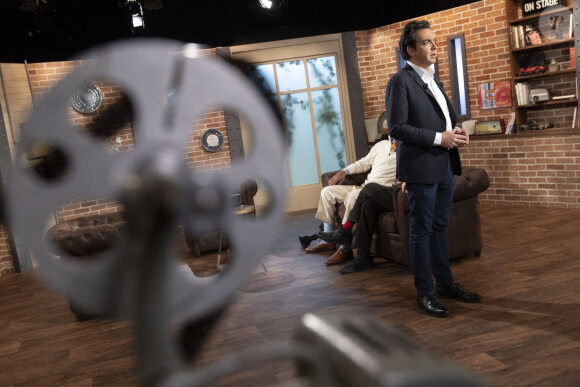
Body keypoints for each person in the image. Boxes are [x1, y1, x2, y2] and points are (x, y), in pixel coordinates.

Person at [385, 20, 481, 317]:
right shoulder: (401, 81)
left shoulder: (433, 80)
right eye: (427, 42)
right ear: (410, 49)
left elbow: (441, 123)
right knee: (421, 232)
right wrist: (441, 138)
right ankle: (425, 291)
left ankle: (446, 283)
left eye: (435, 41)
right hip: (420, 169)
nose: (435, 47)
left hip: (443, 167)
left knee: (440, 228)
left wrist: (455, 133)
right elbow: (397, 128)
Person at [305, 134, 397, 266]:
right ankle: (328, 242)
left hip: (379, 192)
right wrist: (345, 171)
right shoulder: (381, 145)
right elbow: (364, 163)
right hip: (363, 187)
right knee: (327, 192)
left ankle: (345, 249)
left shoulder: (407, 152)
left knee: (352, 197)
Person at [316, 177, 396, 274]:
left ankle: (345, 230)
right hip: (399, 190)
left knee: (370, 187)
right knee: (368, 204)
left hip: (408, 194)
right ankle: (363, 257)